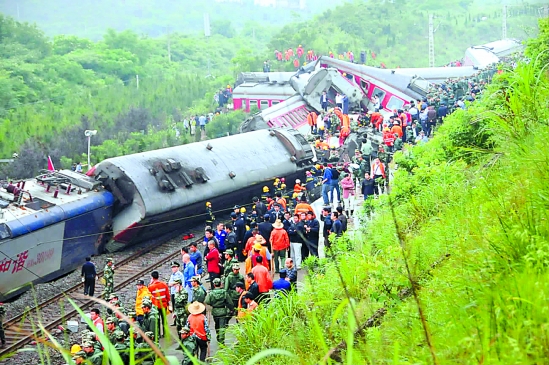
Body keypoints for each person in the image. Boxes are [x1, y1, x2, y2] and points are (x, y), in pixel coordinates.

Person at [204, 278, 234, 345]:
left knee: (217, 326)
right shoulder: (224, 293)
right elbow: (230, 303)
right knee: (222, 327)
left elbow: (206, 301)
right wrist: (231, 309)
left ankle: (218, 338)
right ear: (220, 284)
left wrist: (212, 304)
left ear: (214, 284)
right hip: (223, 311)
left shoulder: (211, 293)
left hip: (215, 312)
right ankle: (221, 341)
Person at [148, 270, 169, 338]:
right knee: (164, 320)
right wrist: (167, 302)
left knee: (157, 320)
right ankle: (165, 333)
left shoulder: (151, 287)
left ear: (152, 278)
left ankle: (158, 334)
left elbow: (149, 295)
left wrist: (150, 284)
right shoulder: (164, 284)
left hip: (156, 306)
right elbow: (167, 295)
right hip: (164, 305)